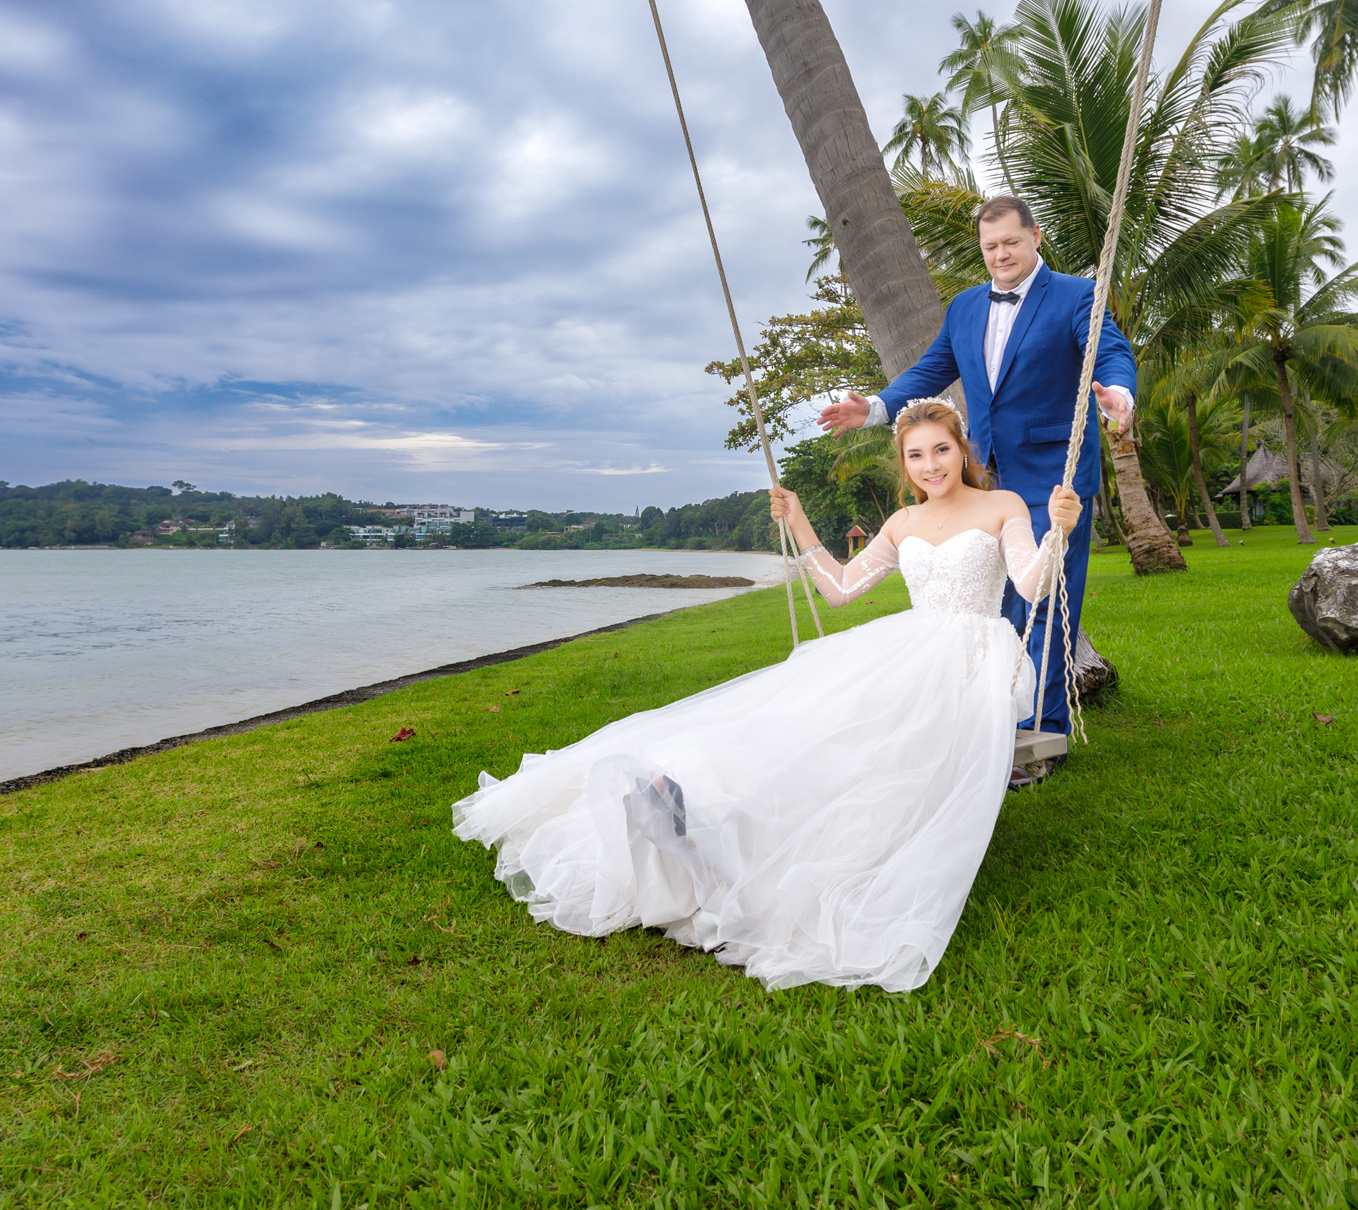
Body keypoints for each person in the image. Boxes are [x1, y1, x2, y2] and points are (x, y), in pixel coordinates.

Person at [452, 399, 1080, 993]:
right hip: (901, 650)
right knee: (802, 728)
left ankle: (739, 842)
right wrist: (800, 521)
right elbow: (838, 590)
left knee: (872, 751)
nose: (931, 466)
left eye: (940, 450)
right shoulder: (902, 521)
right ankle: (697, 804)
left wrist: (1058, 533)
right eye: (916, 456)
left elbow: (1031, 583)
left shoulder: (1002, 506)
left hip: (967, 663)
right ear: (904, 463)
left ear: (961, 449)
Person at [818, 195, 1134, 738]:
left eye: (1011, 242)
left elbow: (1106, 351)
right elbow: (932, 368)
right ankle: (991, 720)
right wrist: (872, 408)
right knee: (993, 611)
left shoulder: (1077, 295)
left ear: (1035, 238)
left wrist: (1119, 394)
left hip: (1051, 477)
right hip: (982, 481)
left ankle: (1043, 732)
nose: (1001, 254)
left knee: (1045, 605)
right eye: (990, 246)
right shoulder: (964, 306)